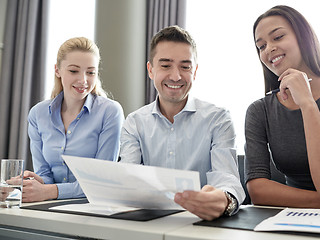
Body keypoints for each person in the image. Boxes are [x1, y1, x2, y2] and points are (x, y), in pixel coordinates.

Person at [120, 26, 245, 220]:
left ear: (194, 71)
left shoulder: (218, 119)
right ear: (150, 70)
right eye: (166, 65)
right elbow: (128, 180)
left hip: (201, 226)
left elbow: (226, 179)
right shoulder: (134, 123)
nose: (176, 76)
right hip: (148, 226)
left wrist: (224, 200)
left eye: (185, 67)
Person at [245, 5, 320, 210]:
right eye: (261, 46)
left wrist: (307, 103)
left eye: (278, 37)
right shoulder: (259, 111)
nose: (269, 48)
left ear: (303, 38)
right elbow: (258, 190)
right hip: (293, 217)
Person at [25, 37, 124, 202]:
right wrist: (31, 184)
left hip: (93, 208)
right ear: (57, 70)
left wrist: (48, 191)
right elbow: (45, 176)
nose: (83, 80)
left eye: (90, 72)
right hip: (51, 207)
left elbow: (100, 182)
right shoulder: (38, 114)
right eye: (73, 71)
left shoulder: (110, 112)